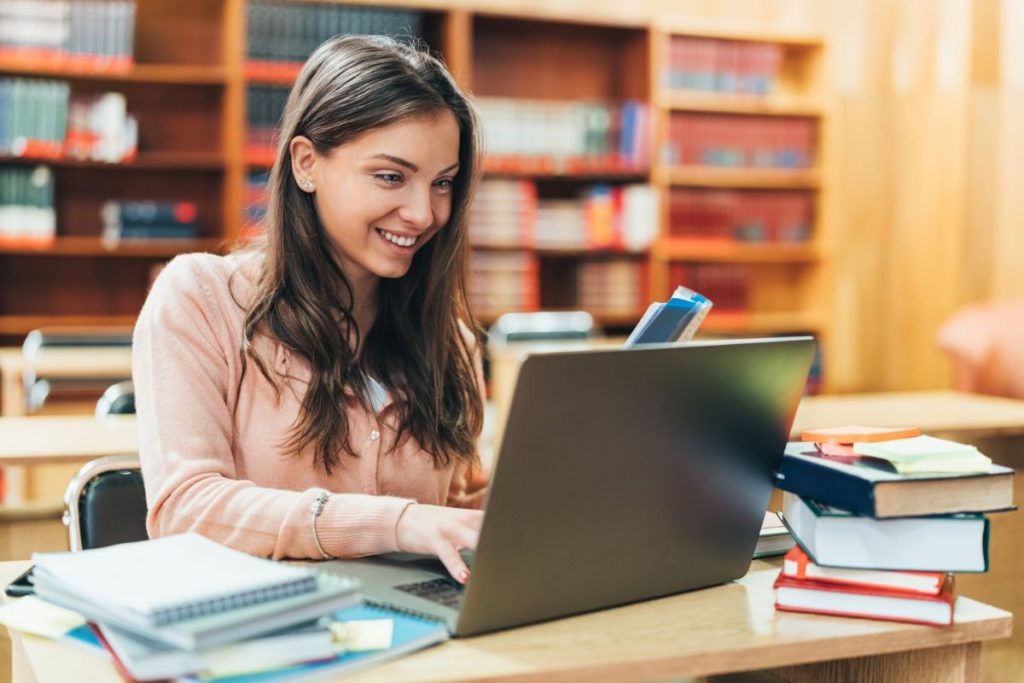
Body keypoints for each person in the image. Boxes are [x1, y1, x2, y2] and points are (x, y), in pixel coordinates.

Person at [133, 35, 486, 584]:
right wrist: (397, 523)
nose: (423, 213)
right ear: (305, 164)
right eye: (391, 177)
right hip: (262, 623)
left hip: (415, 623)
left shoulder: (450, 340)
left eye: (442, 183)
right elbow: (185, 508)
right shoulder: (199, 299)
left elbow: (455, 512)